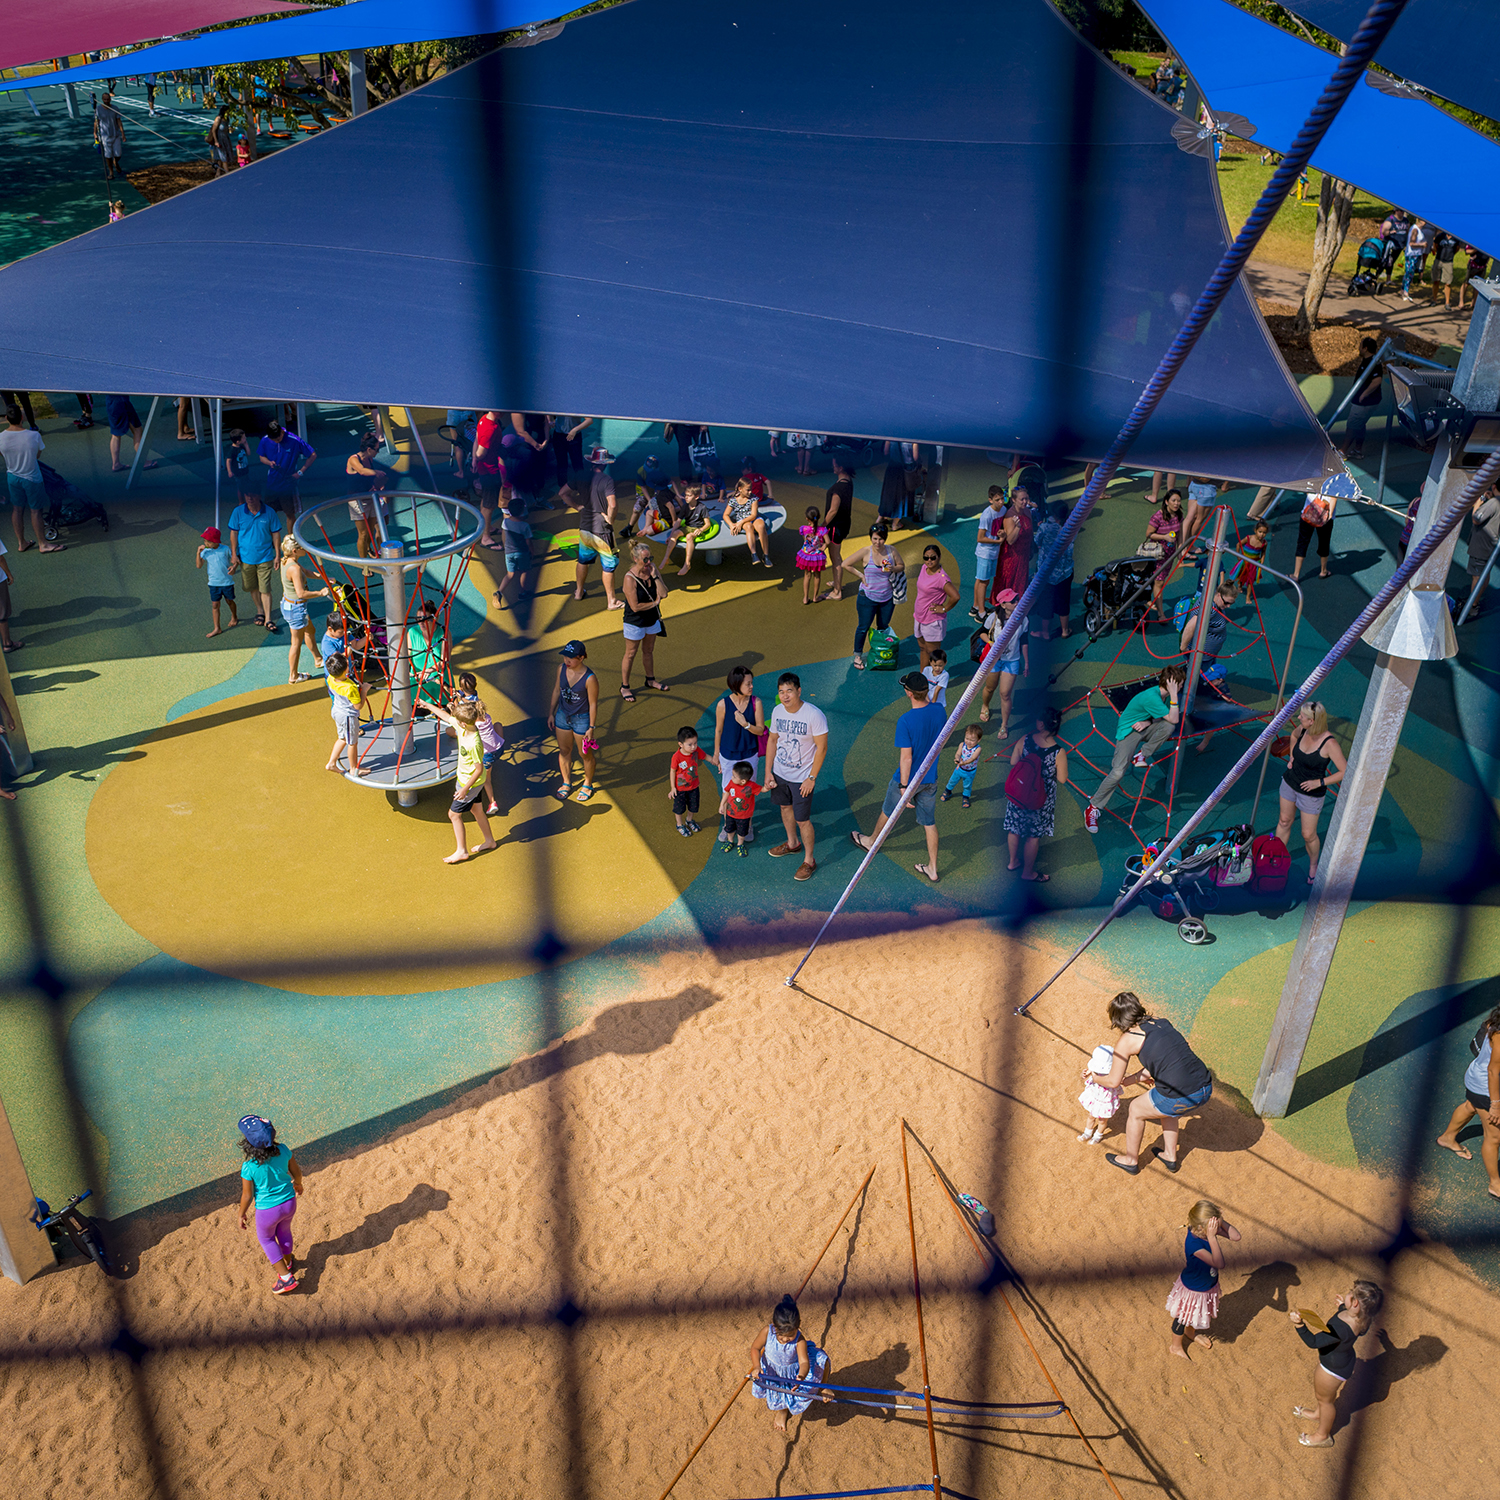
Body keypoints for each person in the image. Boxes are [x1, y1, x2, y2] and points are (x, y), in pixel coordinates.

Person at [1095, 991, 1214, 1175]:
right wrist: (1129, 1081)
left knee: (1135, 1109)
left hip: (1181, 1095)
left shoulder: (1127, 1040)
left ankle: (1131, 1160)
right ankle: (1169, 1156)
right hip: (1205, 1087)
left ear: (1118, 1019)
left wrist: (1095, 1078)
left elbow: (1112, 1081)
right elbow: (1156, 1064)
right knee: (1166, 1111)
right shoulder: (1161, 1022)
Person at [850, 671, 947, 884]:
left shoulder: (905, 721)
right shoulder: (940, 711)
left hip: (909, 779)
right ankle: (932, 868)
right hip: (931, 779)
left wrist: (904, 786)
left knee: (888, 809)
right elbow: (931, 709)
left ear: (908, 693)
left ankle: (871, 840)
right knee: (929, 822)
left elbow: (906, 758)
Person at [1083, 665, 1184, 834]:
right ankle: (1093, 807)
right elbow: (1174, 717)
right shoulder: (1155, 696)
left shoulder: (1161, 695)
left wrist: (1148, 722)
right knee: (1117, 772)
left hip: (1142, 726)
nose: (1181, 686)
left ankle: (1141, 755)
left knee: (1167, 728)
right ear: (1171, 684)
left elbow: (1164, 718)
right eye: (1179, 684)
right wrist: (1174, 694)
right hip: (1129, 731)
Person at [1290, 1281, 1385, 1448]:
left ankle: (1322, 1435)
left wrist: (1300, 1325)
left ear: (1355, 1303)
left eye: (1350, 1293)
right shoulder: (1363, 1318)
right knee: (1326, 1397)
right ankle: (1318, 1414)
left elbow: (1313, 1342)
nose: (1347, 1294)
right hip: (1344, 1361)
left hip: (1332, 1368)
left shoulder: (1341, 1329)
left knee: (1325, 1400)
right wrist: (1343, 1306)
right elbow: (1350, 1316)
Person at [764, 672, 828, 882]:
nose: (785, 696)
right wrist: (768, 771)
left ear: (799, 691)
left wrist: (811, 777)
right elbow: (772, 740)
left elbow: (822, 748)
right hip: (780, 774)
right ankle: (792, 844)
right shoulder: (776, 711)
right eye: (781, 692)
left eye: (789, 691)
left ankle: (809, 861)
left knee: (803, 820)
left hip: (802, 778)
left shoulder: (813, 715)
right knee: (784, 808)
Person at [1275, 701, 1347, 882]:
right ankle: (1276, 859)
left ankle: (1314, 865)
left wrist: (1319, 782)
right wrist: (1292, 757)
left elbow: (1344, 772)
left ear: (1313, 721)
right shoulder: (1302, 729)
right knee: (1284, 821)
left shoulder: (1329, 743)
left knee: (1308, 834)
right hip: (1290, 782)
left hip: (1310, 793)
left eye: (1303, 716)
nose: (1299, 718)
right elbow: (1292, 736)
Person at [1435, 1003, 1500, 1200]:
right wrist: (1495, 1104)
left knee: (1470, 1106)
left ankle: (1447, 1138)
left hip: (1477, 1077)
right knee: (1494, 1137)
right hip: (1485, 1087)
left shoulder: (1494, 1022)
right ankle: (1495, 1184)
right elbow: (1493, 1071)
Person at [236, 1115, 303, 1296]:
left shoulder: (249, 1167)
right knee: (284, 1232)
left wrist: (241, 1213)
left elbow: (247, 1195)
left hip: (267, 1210)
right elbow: (296, 1172)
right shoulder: (283, 1149)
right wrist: (298, 1183)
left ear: (247, 1143)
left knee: (266, 1240)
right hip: (289, 1202)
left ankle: (286, 1278)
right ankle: (287, 1262)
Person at [422, 699, 496, 864]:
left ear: (463, 723)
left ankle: (461, 851)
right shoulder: (463, 726)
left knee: (454, 814)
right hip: (465, 780)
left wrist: (464, 790)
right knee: (477, 810)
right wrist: (427, 705)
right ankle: (490, 841)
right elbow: (445, 717)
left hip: (469, 784)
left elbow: (478, 769)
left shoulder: (474, 743)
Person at [1165, 1201, 1241, 1360]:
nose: (1216, 1227)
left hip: (1206, 1287)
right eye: (1213, 1225)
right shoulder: (1194, 1243)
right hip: (1193, 1289)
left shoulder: (1204, 1230)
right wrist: (1213, 1236)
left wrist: (1221, 1221)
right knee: (1182, 1317)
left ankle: (1190, 1332)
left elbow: (1236, 1236)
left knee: (1196, 1314)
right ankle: (1175, 1346)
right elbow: (1219, 1263)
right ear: (1201, 1228)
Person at [749, 1294, 832, 1436]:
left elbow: (804, 1362)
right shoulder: (767, 1331)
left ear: (798, 1327)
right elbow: (755, 1348)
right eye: (781, 1336)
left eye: (790, 1336)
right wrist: (756, 1366)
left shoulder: (799, 1340)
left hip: (793, 1371)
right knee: (780, 1393)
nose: (786, 1339)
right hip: (773, 1371)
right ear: (774, 1327)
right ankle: (783, 1411)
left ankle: (824, 1387)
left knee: (821, 1359)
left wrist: (801, 1375)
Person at [1002, 706, 1069, 881]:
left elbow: (1013, 762)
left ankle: (1012, 862)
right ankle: (1028, 872)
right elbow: (1062, 778)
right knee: (1033, 836)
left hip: (1019, 792)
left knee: (1014, 828)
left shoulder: (1025, 739)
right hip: (1040, 798)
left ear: (1040, 723)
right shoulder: (1058, 752)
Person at [1, 405, 63, 554]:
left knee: (17, 509)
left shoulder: (1, 437)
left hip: (13, 478)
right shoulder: (33, 436)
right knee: (36, 512)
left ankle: (21, 543)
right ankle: (43, 544)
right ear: (21, 418)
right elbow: (37, 455)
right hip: (32, 479)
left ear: (6, 419)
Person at [713, 665, 765, 843]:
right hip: (728, 755)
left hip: (750, 754)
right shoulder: (723, 704)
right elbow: (718, 730)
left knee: (748, 791)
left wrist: (745, 725)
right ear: (737, 684)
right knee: (729, 791)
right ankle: (728, 825)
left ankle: (747, 825)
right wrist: (716, 755)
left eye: (751, 683)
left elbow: (760, 730)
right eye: (748, 684)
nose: (751, 687)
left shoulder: (756, 703)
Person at [841, 523, 903, 669]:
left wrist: (892, 568)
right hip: (867, 597)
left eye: (881, 539)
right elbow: (846, 564)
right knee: (863, 627)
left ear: (885, 539)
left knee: (883, 627)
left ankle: (879, 651)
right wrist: (861, 575)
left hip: (887, 598)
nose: (877, 542)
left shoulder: (891, 551)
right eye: (875, 539)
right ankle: (858, 655)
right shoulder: (865, 552)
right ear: (871, 538)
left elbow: (902, 565)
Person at [548, 640, 600, 803]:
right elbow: (557, 690)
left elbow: (592, 704)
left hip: (581, 720)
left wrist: (591, 727)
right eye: (565, 657)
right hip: (563, 716)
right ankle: (566, 782)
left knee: (585, 754)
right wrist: (551, 713)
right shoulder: (561, 669)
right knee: (564, 751)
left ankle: (587, 783)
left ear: (582, 657)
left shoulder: (590, 678)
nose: (566, 661)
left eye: (570, 658)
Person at [227, 482, 283, 631]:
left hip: (265, 557)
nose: (250, 498)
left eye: (252, 495)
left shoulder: (270, 512)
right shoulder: (238, 512)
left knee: (265, 588)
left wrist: (277, 555)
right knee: (252, 587)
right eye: (247, 495)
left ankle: (268, 619)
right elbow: (234, 533)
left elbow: (276, 533)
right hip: (245, 558)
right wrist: (234, 554)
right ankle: (260, 611)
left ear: (259, 496)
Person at [619, 542, 669, 701]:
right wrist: (655, 603)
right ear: (635, 558)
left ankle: (650, 680)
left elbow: (664, 593)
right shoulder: (629, 578)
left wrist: (655, 575)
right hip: (634, 621)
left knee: (648, 651)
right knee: (630, 653)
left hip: (651, 619)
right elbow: (634, 606)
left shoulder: (653, 570)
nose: (649, 563)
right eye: (645, 560)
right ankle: (625, 686)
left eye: (650, 558)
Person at [575, 447, 622, 608]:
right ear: (605, 464)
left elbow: (563, 493)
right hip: (602, 531)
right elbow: (613, 504)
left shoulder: (582, 477)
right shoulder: (607, 480)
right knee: (609, 565)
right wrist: (610, 519)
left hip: (585, 528)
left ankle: (579, 592)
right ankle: (611, 601)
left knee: (583, 560)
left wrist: (576, 506)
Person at [278, 537, 329, 683]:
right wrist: (320, 593)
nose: (305, 549)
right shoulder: (293, 568)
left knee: (310, 630)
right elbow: (301, 593)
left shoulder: (288, 561)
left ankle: (318, 659)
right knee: (296, 643)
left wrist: (325, 578)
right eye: (302, 547)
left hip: (293, 605)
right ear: (295, 551)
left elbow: (306, 572)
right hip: (296, 608)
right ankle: (293, 676)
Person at [978, 589, 1027, 735]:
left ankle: (1004, 725)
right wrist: (990, 642)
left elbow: (1024, 640)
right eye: (1013, 601)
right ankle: (985, 705)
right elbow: (982, 632)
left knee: (1005, 694)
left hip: (1011, 660)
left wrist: (1027, 662)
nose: (1016, 602)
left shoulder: (1023, 618)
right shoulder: (993, 617)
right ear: (1003, 604)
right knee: (990, 688)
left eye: (1017, 599)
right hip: (994, 659)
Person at [454, 671, 503, 815]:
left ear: (461, 689)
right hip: (498, 748)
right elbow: (470, 701)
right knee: (498, 725)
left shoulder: (469, 714)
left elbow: (459, 713)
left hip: (487, 754)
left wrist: (456, 702)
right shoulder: (479, 704)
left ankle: (492, 802)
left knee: (486, 780)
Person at [1033, 500, 1075, 639]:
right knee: (1063, 600)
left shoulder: (1045, 527)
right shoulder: (1070, 529)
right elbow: (1069, 551)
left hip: (1046, 573)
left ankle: (1045, 632)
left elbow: (1037, 542)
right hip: (1064, 572)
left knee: (1046, 602)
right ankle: (1065, 630)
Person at [345, 431, 390, 559]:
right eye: (376, 450)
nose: (378, 452)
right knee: (363, 534)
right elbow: (362, 471)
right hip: (357, 500)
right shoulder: (353, 459)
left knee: (370, 532)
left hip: (369, 497)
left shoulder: (369, 459)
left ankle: (368, 549)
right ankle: (364, 564)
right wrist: (376, 472)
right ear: (369, 449)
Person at [258, 419, 315, 520]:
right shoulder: (265, 440)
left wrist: (300, 472)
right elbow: (261, 457)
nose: (276, 441)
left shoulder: (294, 440)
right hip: (272, 483)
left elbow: (312, 455)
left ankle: (290, 535)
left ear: (282, 432)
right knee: (269, 513)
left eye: (278, 439)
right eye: (274, 440)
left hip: (288, 484)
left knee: (290, 513)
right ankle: (271, 535)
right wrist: (269, 463)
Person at [324, 653, 369, 777]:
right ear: (345, 670)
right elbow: (358, 706)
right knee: (352, 743)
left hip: (337, 711)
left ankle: (332, 763)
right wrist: (364, 690)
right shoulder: (350, 688)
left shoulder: (330, 678)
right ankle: (354, 768)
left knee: (342, 738)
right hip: (348, 716)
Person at [659, 481, 717, 577]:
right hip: (688, 527)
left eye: (689, 495)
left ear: (696, 497)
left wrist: (701, 530)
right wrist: (670, 535)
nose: (686, 497)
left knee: (689, 536)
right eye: (685, 495)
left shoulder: (702, 507)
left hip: (697, 528)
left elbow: (708, 524)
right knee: (675, 534)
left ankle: (687, 564)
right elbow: (678, 522)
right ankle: (666, 557)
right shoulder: (685, 506)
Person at [912, 543, 958, 665]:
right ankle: (923, 676)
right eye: (926, 557)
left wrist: (944, 608)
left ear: (939, 557)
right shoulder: (923, 568)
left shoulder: (942, 578)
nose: (929, 560)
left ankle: (934, 680)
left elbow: (955, 596)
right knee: (923, 649)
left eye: (933, 557)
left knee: (933, 654)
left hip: (932, 620)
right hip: (919, 617)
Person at [1144, 489, 1186, 621]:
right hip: (1157, 554)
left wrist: (1180, 553)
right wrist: (1165, 537)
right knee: (1159, 582)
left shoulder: (1179, 515)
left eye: (1178, 500)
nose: (1176, 503)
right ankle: (1161, 614)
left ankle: (1148, 599)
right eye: (1173, 500)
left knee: (1155, 581)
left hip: (1169, 554)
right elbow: (1149, 534)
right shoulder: (1158, 516)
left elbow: (1179, 536)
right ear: (1166, 501)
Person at [471, 409, 510, 547]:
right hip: (491, 471)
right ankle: (485, 538)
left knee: (486, 500)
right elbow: (481, 453)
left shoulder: (483, 419)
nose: (505, 413)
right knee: (489, 504)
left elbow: (476, 439)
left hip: (484, 470)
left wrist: (474, 460)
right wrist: (478, 457)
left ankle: (487, 528)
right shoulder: (490, 429)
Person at [1461, 483, 1500, 618]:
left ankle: (1473, 606)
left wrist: (1478, 502)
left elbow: (1476, 519)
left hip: (1481, 547)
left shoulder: (1494, 503)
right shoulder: (1496, 502)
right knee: (1485, 575)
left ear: (1494, 487)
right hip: (1491, 547)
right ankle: (1474, 601)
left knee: (1477, 577)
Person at [1077, 1042, 1126, 1144]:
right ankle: (1087, 1133)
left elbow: (1123, 1077)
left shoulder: (1114, 1072)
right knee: (1091, 1116)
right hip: (1096, 1097)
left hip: (1106, 1100)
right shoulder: (1095, 1069)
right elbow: (1086, 1073)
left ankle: (1098, 1135)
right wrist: (1083, 1074)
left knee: (1103, 1120)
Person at [667, 725, 712, 837]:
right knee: (679, 808)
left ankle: (689, 820)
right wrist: (673, 788)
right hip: (680, 789)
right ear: (680, 744)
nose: (693, 747)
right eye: (690, 744)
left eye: (695, 743)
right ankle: (679, 824)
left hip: (694, 787)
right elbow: (672, 771)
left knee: (694, 806)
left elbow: (706, 757)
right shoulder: (676, 757)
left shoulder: (696, 751)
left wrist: (717, 763)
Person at [972, 485, 1008, 620]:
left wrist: (1002, 533)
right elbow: (980, 537)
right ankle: (981, 613)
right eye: (997, 499)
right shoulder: (986, 515)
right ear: (990, 500)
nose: (1001, 502)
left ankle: (975, 606)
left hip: (993, 552)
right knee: (983, 582)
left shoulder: (1003, 509)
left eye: (1002, 498)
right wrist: (998, 541)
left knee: (981, 580)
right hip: (985, 553)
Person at [1343, 337, 1383, 460]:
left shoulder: (1373, 362)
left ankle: (1342, 451)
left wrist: (1364, 394)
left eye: (1360, 345)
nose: (1359, 348)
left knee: (1352, 424)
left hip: (1364, 403)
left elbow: (1377, 380)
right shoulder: (1367, 361)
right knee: (1360, 424)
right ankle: (1357, 450)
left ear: (1365, 348)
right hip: (1365, 401)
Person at [492, 496, 535, 610]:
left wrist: (506, 547)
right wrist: (532, 551)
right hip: (522, 553)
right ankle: (522, 592)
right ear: (522, 511)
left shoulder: (505, 522)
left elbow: (505, 536)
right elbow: (528, 541)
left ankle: (499, 592)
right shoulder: (525, 526)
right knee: (524, 571)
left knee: (510, 574)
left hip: (509, 552)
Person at [994, 483, 1036, 600]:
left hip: (1024, 554)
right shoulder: (1010, 516)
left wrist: (1031, 548)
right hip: (1012, 557)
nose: (1025, 502)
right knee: (1010, 583)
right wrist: (1017, 527)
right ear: (1014, 500)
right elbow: (1011, 540)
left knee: (1021, 583)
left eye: (1026, 499)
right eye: (1022, 499)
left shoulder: (1027, 512)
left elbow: (1030, 533)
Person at [195, 525, 238, 637]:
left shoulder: (225, 549)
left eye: (208, 541)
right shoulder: (205, 552)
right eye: (204, 541)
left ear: (215, 541)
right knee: (215, 604)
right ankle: (217, 628)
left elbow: (235, 561)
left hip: (227, 583)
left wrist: (234, 567)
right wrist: (198, 553)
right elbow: (199, 566)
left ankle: (234, 616)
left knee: (229, 601)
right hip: (213, 584)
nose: (205, 543)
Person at [822, 463, 855, 599]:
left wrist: (822, 526)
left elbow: (833, 510)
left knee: (835, 558)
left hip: (835, 527)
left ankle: (837, 592)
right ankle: (837, 582)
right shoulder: (848, 482)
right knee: (837, 556)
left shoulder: (837, 488)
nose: (833, 466)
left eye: (835, 464)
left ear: (841, 467)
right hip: (844, 524)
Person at [724, 477, 773, 567]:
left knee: (761, 526)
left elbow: (753, 515)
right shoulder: (734, 500)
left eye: (750, 490)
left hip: (752, 518)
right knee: (748, 527)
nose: (750, 492)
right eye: (748, 490)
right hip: (743, 520)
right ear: (740, 489)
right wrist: (731, 524)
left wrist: (740, 522)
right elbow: (726, 515)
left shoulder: (753, 498)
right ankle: (754, 554)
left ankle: (766, 555)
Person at [407, 598, 446, 705]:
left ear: (435, 618)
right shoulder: (412, 632)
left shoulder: (443, 634)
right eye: (418, 618)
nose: (421, 622)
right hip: (417, 683)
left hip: (437, 682)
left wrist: (428, 670)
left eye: (424, 619)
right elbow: (406, 658)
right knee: (416, 717)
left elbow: (444, 660)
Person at [719, 761, 762, 856]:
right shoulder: (731, 783)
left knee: (742, 832)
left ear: (743, 781)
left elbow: (762, 789)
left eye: (734, 776)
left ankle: (740, 844)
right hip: (730, 813)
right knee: (729, 829)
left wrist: (769, 786)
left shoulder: (751, 786)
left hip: (744, 816)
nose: (731, 777)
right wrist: (722, 804)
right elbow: (726, 792)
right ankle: (730, 841)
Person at [105, 394, 153, 472]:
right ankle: (143, 461)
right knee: (137, 430)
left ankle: (116, 464)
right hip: (122, 402)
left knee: (115, 434)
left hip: (110, 402)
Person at [941, 724, 983, 809]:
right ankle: (948, 791)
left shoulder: (978, 749)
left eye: (972, 740)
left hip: (970, 772)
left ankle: (965, 797)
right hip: (959, 769)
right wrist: (957, 759)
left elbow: (972, 758)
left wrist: (964, 763)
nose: (968, 741)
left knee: (967, 785)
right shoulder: (962, 744)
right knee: (952, 781)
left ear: (979, 740)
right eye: (967, 738)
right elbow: (958, 753)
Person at [795, 507, 831, 603]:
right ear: (819, 517)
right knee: (817, 576)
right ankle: (815, 597)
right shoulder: (822, 530)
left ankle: (805, 598)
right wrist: (823, 547)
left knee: (807, 575)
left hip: (806, 555)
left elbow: (804, 540)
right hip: (817, 557)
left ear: (807, 519)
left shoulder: (804, 528)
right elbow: (827, 541)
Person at [550, 415, 592, 499]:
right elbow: (549, 412)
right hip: (558, 436)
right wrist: (550, 421)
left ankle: (582, 490)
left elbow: (589, 420)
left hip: (574, 436)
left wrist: (575, 430)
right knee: (561, 465)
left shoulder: (577, 404)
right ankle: (563, 493)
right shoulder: (558, 403)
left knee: (578, 465)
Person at [94, 91, 125, 180]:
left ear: (110, 99)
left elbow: (119, 121)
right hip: (105, 135)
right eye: (105, 99)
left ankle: (115, 162)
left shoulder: (115, 108)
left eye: (108, 99)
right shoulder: (98, 110)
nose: (106, 101)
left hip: (115, 134)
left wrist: (122, 133)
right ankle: (111, 172)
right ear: (102, 100)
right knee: (108, 155)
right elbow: (96, 122)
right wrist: (95, 133)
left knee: (118, 154)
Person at [1237, 519, 1269, 595]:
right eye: (1260, 532)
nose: (1262, 534)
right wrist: (1238, 555)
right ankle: (1240, 585)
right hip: (1245, 561)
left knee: (1251, 579)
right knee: (1242, 575)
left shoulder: (1264, 543)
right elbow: (1238, 544)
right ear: (1255, 530)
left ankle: (1248, 596)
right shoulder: (1249, 538)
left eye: (1264, 533)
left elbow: (1263, 552)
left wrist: (1262, 561)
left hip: (1254, 563)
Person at [1402, 219, 1429, 301]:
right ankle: (1405, 292)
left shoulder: (1418, 229)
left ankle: (1403, 290)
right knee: (1409, 273)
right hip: (1412, 255)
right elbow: (1411, 244)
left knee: (1410, 272)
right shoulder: (1415, 230)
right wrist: (1422, 244)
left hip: (1416, 254)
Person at [223, 427, 254, 496]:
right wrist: (229, 471)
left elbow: (248, 454)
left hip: (245, 470)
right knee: (240, 487)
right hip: (238, 473)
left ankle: (247, 496)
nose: (245, 438)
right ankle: (241, 500)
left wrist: (246, 445)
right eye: (243, 438)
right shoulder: (232, 450)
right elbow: (228, 461)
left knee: (247, 485)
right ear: (238, 441)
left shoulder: (242, 447)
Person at [922, 646, 950, 711]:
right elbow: (923, 685)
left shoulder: (945, 675)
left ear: (945, 663)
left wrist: (932, 705)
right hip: (926, 701)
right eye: (935, 665)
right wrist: (927, 701)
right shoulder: (926, 670)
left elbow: (936, 691)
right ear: (930, 662)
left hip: (938, 703)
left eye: (940, 666)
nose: (937, 668)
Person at [208, 105, 233, 175]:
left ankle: (218, 173)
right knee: (223, 157)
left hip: (225, 139)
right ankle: (227, 172)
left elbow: (226, 129)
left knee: (221, 158)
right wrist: (216, 141)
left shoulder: (227, 119)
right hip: (219, 139)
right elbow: (213, 130)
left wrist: (230, 130)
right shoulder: (218, 119)